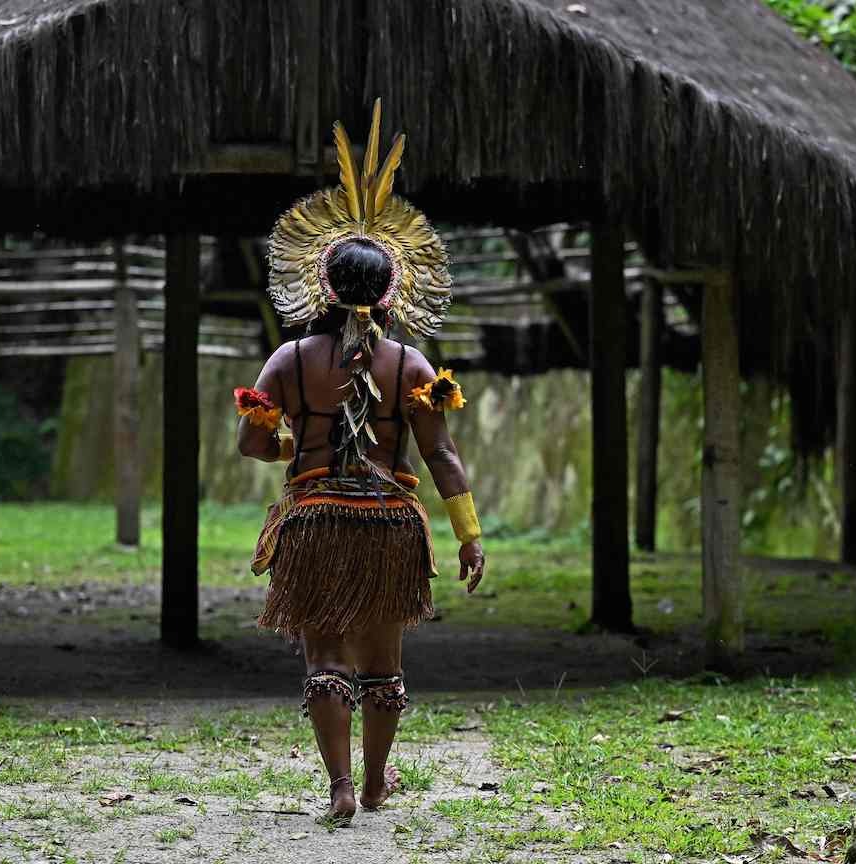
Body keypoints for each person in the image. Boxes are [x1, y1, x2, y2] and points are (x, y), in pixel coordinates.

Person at [235, 99, 485, 826]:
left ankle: (340, 786)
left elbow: (253, 444)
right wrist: (469, 535)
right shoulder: (412, 364)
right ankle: (376, 783)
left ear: (321, 284)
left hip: (314, 521)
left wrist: (295, 447)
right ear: (393, 287)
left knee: (326, 663)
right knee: (383, 667)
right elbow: (440, 454)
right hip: (388, 526)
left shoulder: (289, 359)